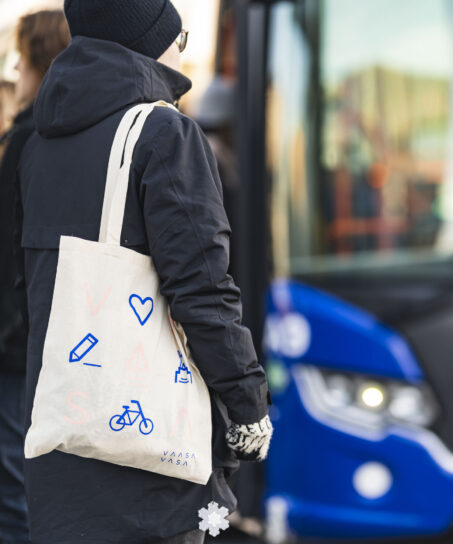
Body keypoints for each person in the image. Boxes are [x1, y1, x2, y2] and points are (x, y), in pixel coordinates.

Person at [14, 1, 273, 542]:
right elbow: (203, 289)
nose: (184, 46)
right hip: (149, 459)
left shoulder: (39, 143)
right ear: (144, 36)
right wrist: (248, 405)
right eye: (180, 33)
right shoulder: (164, 134)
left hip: (63, 437)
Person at [0, 10, 70, 544]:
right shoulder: (87, 137)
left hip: (17, 343)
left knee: (13, 492)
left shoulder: (26, 140)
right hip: (65, 340)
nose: (15, 76)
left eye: (21, 63)